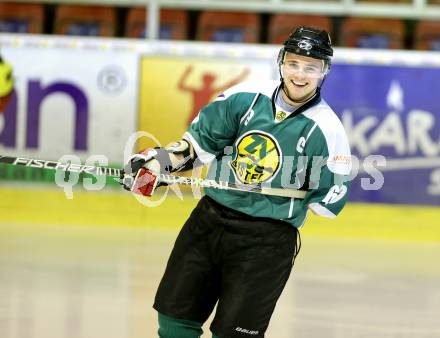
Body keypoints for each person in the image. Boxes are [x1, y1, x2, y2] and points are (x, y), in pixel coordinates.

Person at [121, 26, 352, 338]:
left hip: (267, 242)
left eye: (311, 67)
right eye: (293, 63)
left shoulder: (328, 130)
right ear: (281, 62)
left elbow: (327, 201)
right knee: (175, 321)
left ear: (324, 72)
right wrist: (157, 165)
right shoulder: (243, 97)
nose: (300, 74)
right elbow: (196, 147)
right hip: (209, 222)